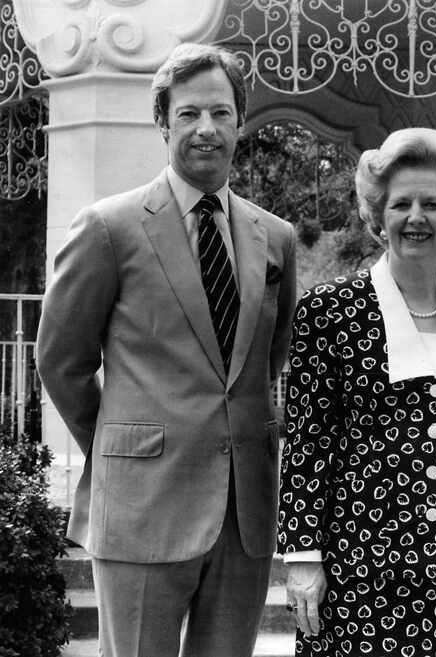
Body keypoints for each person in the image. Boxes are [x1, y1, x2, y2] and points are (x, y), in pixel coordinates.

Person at [36, 43, 296, 657]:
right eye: (188, 114)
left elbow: (271, 361)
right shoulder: (109, 227)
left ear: (240, 121)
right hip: (142, 505)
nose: (206, 128)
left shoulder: (276, 237)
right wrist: (119, 442)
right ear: (162, 122)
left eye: (221, 113)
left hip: (244, 512)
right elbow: (61, 360)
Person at [277, 127, 436, 657]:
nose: (416, 217)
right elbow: (309, 442)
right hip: (355, 569)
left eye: (432, 204)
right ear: (379, 216)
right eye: (401, 204)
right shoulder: (329, 311)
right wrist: (303, 554)